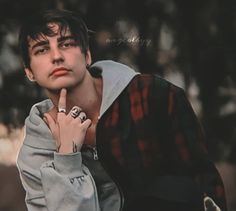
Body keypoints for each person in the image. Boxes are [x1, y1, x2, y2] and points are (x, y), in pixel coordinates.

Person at [16, 9, 227, 211]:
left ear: (87, 55)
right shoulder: (36, 151)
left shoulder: (152, 95)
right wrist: (66, 158)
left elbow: (204, 186)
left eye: (66, 44)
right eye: (42, 50)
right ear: (29, 72)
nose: (56, 56)